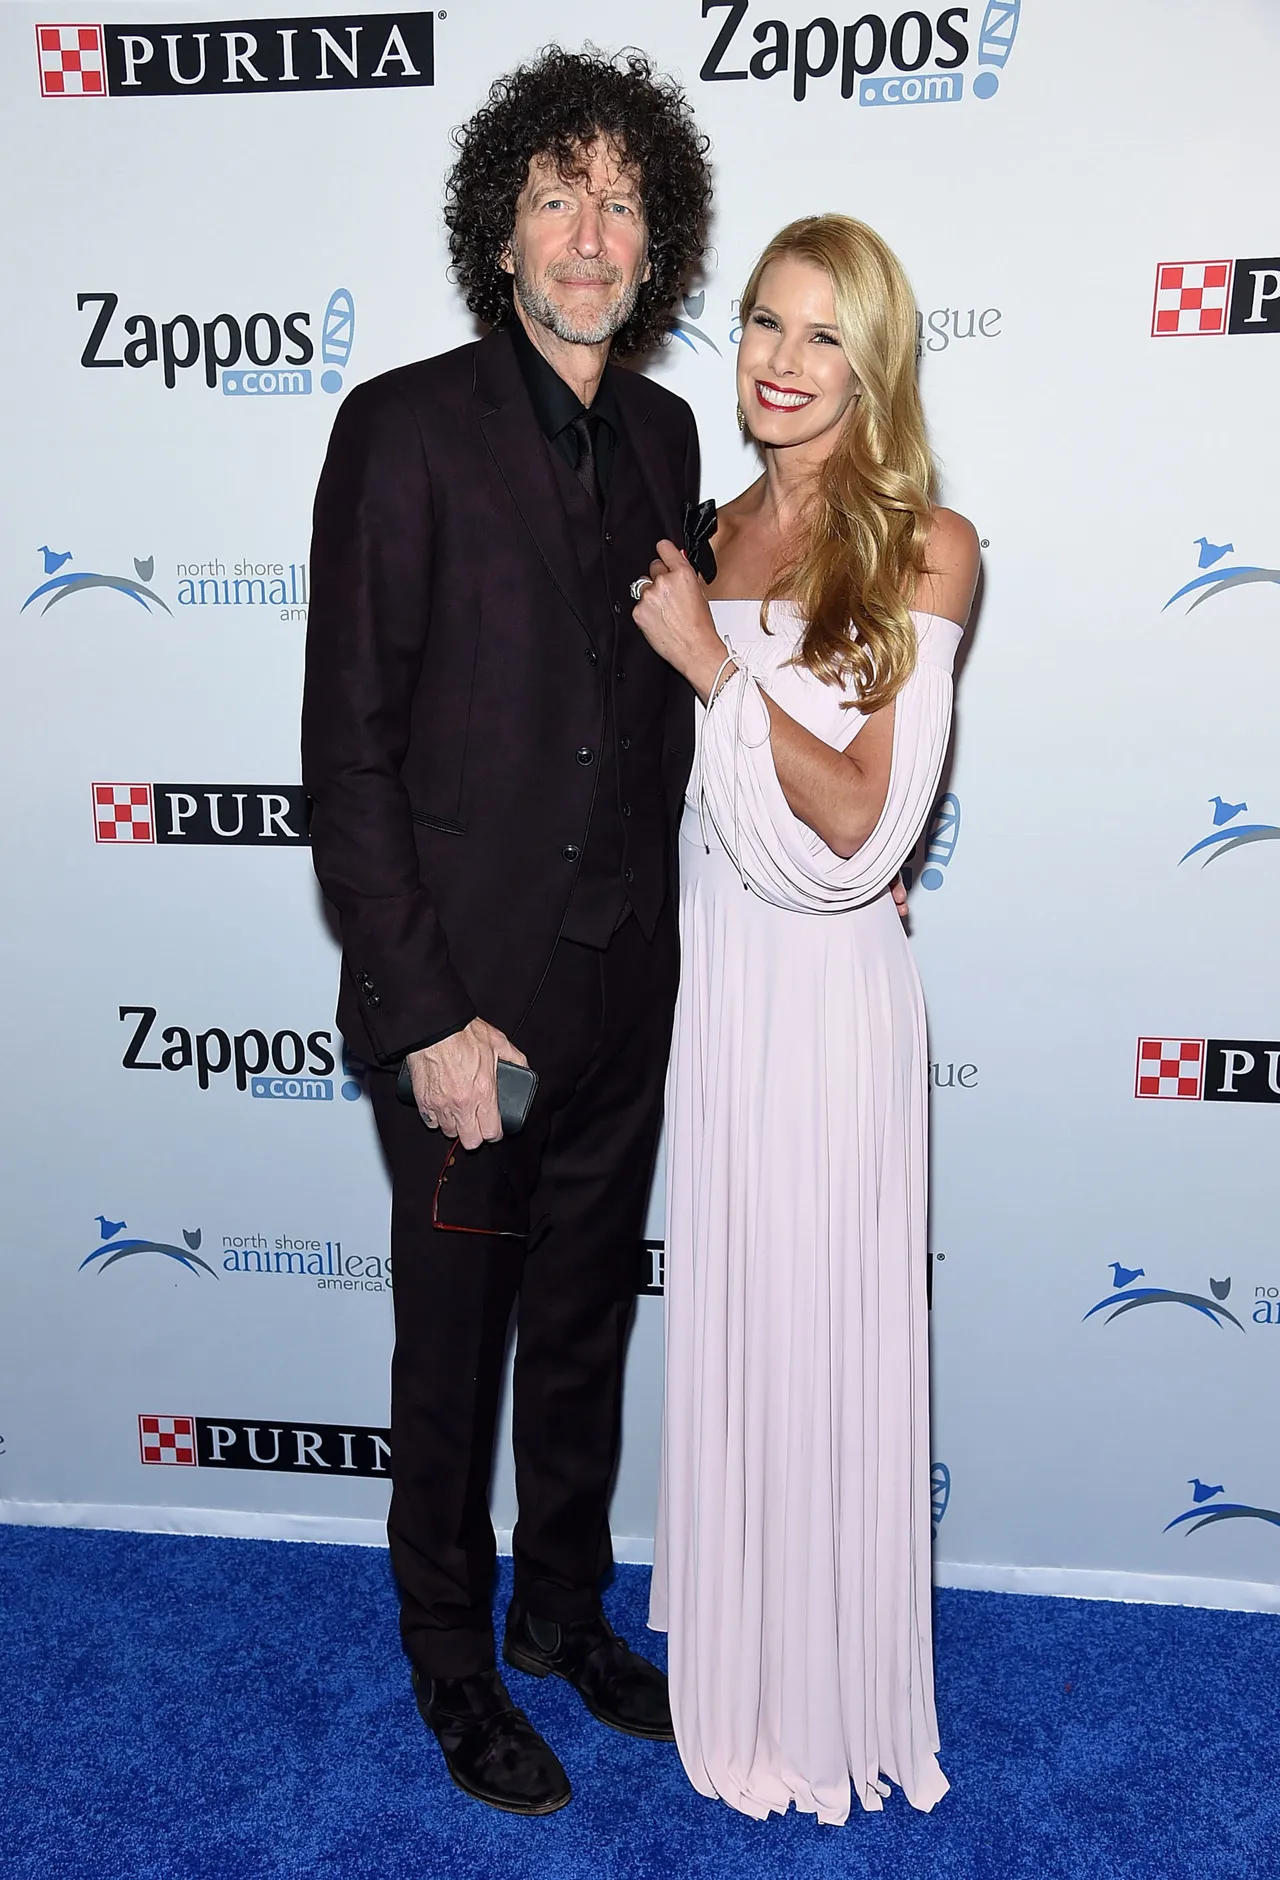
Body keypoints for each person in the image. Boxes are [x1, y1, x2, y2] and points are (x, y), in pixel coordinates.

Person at [301, 49, 711, 1817]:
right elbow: (348, 750)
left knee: (587, 1325)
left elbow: (667, 703)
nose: (591, 233)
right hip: (469, 1010)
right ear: (503, 230)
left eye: (621, 200)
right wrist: (427, 1018)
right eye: (558, 196)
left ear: (656, 240)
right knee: (456, 1350)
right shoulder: (399, 428)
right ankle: (451, 1663)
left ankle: (562, 1609)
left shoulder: (671, 438)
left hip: (623, 986)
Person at [635, 214, 979, 1824]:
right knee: (740, 1320)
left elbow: (858, 822)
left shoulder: (927, 547)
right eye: (765, 323)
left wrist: (715, 668)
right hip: (719, 982)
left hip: (830, 1003)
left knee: (824, 1328)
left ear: (874, 363)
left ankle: (828, 1681)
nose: (782, 360)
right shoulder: (699, 533)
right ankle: (745, 1643)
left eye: (825, 334)